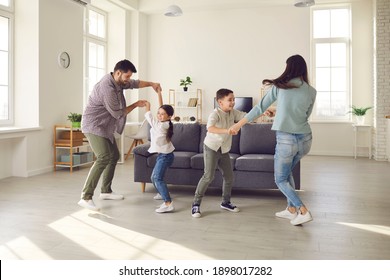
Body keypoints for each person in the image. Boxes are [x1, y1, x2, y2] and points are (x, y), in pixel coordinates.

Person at [231, 54, 317, 226]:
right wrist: (277, 112)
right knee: (287, 174)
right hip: (305, 140)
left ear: (289, 67)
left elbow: (259, 108)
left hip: (286, 139)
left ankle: (303, 210)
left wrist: (238, 125)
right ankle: (291, 209)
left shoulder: (280, 87)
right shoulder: (311, 91)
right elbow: (303, 115)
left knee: (280, 179)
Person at [78, 59, 162, 211]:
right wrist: (136, 104)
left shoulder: (119, 82)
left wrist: (152, 84)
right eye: (127, 77)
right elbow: (117, 113)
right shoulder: (107, 88)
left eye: (129, 76)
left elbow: (135, 83)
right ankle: (86, 196)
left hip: (104, 126)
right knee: (104, 156)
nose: (128, 80)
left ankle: (106, 190)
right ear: (118, 73)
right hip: (93, 125)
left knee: (114, 155)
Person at [191, 88, 248, 218]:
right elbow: (210, 128)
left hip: (224, 150)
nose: (233, 102)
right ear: (220, 102)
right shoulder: (215, 114)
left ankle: (225, 202)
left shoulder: (233, 112)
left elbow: (246, 116)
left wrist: (262, 112)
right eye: (230, 100)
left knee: (229, 177)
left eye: (233, 99)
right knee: (208, 176)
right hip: (211, 147)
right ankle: (196, 204)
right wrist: (228, 130)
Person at [144, 91, 175, 213]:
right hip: (163, 154)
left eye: (162, 114)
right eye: (158, 113)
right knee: (154, 177)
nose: (159, 115)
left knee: (157, 178)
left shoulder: (162, 126)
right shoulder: (163, 122)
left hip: (166, 156)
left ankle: (168, 203)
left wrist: (148, 106)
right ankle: (162, 192)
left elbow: (150, 118)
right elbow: (162, 110)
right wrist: (159, 94)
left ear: (169, 116)